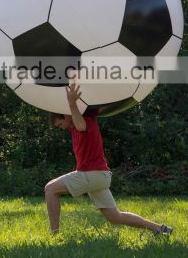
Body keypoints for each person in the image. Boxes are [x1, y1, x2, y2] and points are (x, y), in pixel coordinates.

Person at [45, 83, 173, 235]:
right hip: (99, 176)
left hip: (92, 174)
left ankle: (54, 234)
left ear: (66, 115)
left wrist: (71, 103)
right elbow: (76, 125)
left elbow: (80, 124)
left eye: (60, 124)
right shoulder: (76, 128)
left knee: (50, 189)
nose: (62, 127)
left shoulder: (86, 121)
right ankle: (160, 229)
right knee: (115, 217)